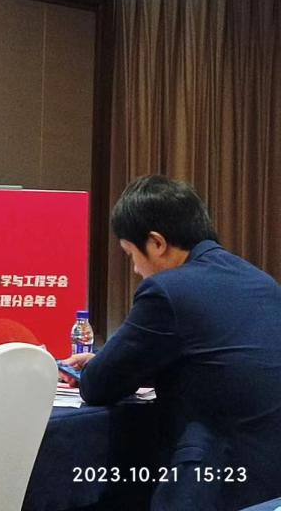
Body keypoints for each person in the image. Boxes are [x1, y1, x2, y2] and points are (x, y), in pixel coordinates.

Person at [60, 175, 281, 511]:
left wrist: (96, 368)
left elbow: (99, 385)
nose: (136, 269)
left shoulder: (167, 290)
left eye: (130, 254)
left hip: (216, 481)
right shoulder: (259, 280)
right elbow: (218, 362)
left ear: (157, 244)